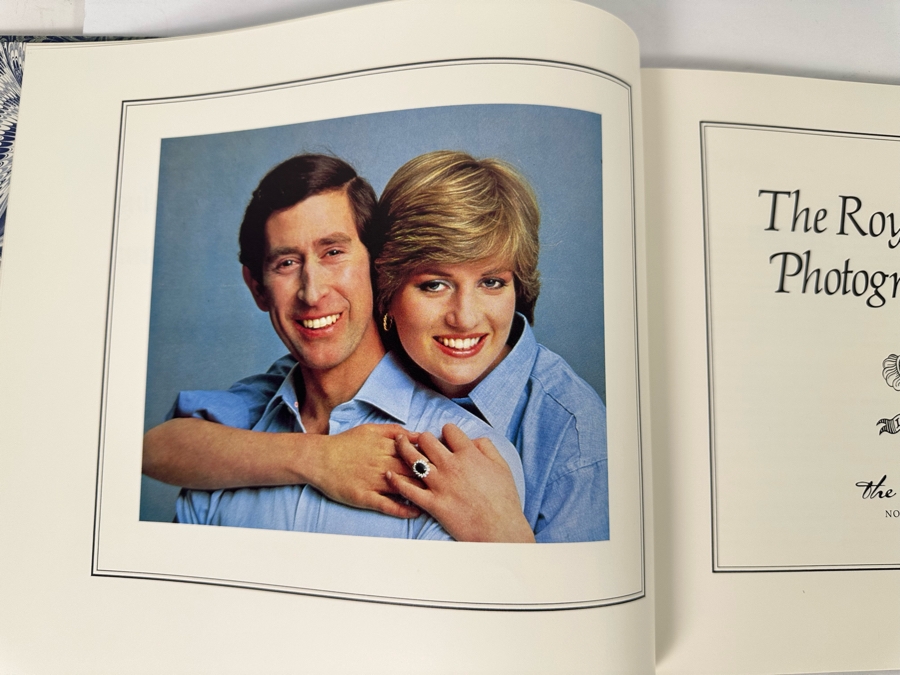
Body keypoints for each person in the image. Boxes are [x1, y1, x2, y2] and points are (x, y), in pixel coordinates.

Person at [146, 150, 608, 543]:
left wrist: (500, 532)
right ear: (387, 283)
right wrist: (319, 457)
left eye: (492, 282)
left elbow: (567, 613)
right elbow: (161, 446)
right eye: (433, 284)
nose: (464, 317)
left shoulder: (571, 431)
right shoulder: (298, 390)